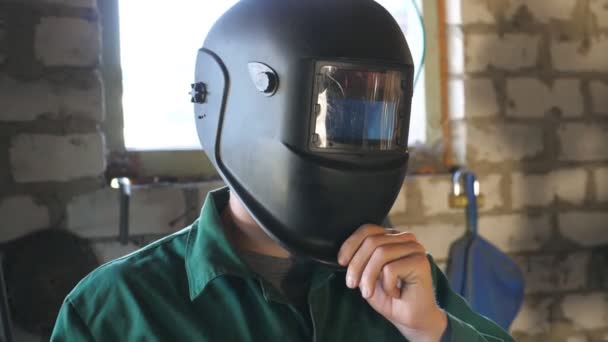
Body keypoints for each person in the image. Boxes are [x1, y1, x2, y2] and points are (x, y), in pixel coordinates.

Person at [52, 0, 514, 341]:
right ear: (237, 108)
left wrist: (432, 332)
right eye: (328, 115)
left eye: (371, 118)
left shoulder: (405, 280)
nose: (352, 141)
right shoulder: (117, 310)